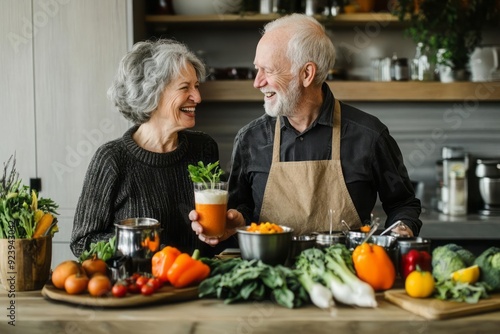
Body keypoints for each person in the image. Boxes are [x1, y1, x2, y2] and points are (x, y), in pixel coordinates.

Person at [190, 14, 422, 246]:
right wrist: (236, 220)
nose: (257, 82)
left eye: (268, 70)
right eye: (256, 69)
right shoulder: (251, 139)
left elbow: (403, 204)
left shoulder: (369, 136)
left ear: (306, 74)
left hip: (346, 273)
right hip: (272, 275)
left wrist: (401, 229)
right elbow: (241, 211)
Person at [70, 39, 234, 258]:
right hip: (141, 287)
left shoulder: (203, 148)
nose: (197, 97)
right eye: (185, 87)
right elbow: (83, 241)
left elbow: (212, 237)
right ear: (152, 94)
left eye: (196, 86)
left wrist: (222, 232)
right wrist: (146, 247)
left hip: (197, 282)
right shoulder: (112, 159)